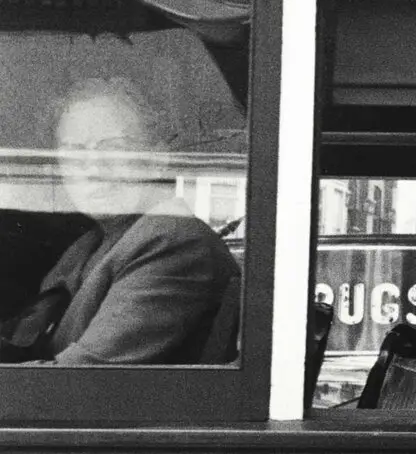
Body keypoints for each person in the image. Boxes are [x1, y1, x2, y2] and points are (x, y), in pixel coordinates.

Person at [1, 77, 239, 365]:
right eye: (74, 152)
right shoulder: (89, 246)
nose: (93, 168)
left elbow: (80, 378)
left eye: (113, 147)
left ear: (158, 158)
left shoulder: (172, 241)